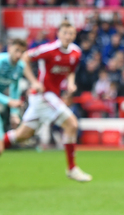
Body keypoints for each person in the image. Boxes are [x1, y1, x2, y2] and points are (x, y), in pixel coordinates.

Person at [3, 23, 92, 182]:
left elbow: (71, 71)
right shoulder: (48, 49)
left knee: (23, 135)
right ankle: (72, 168)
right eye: (65, 33)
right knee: (72, 124)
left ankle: (2, 140)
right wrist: (33, 81)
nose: (68, 36)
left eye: (71, 33)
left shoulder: (75, 52)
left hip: (48, 98)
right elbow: (25, 57)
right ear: (58, 33)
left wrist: (71, 83)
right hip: (43, 95)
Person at [0, 39, 43, 155]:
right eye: (16, 50)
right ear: (9, 48)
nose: (19, 54)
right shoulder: (1, 61)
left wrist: (14, 113)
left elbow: (14, 88)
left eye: (22, 52)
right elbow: (11, 99)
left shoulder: (20, 66)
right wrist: (8, 101)